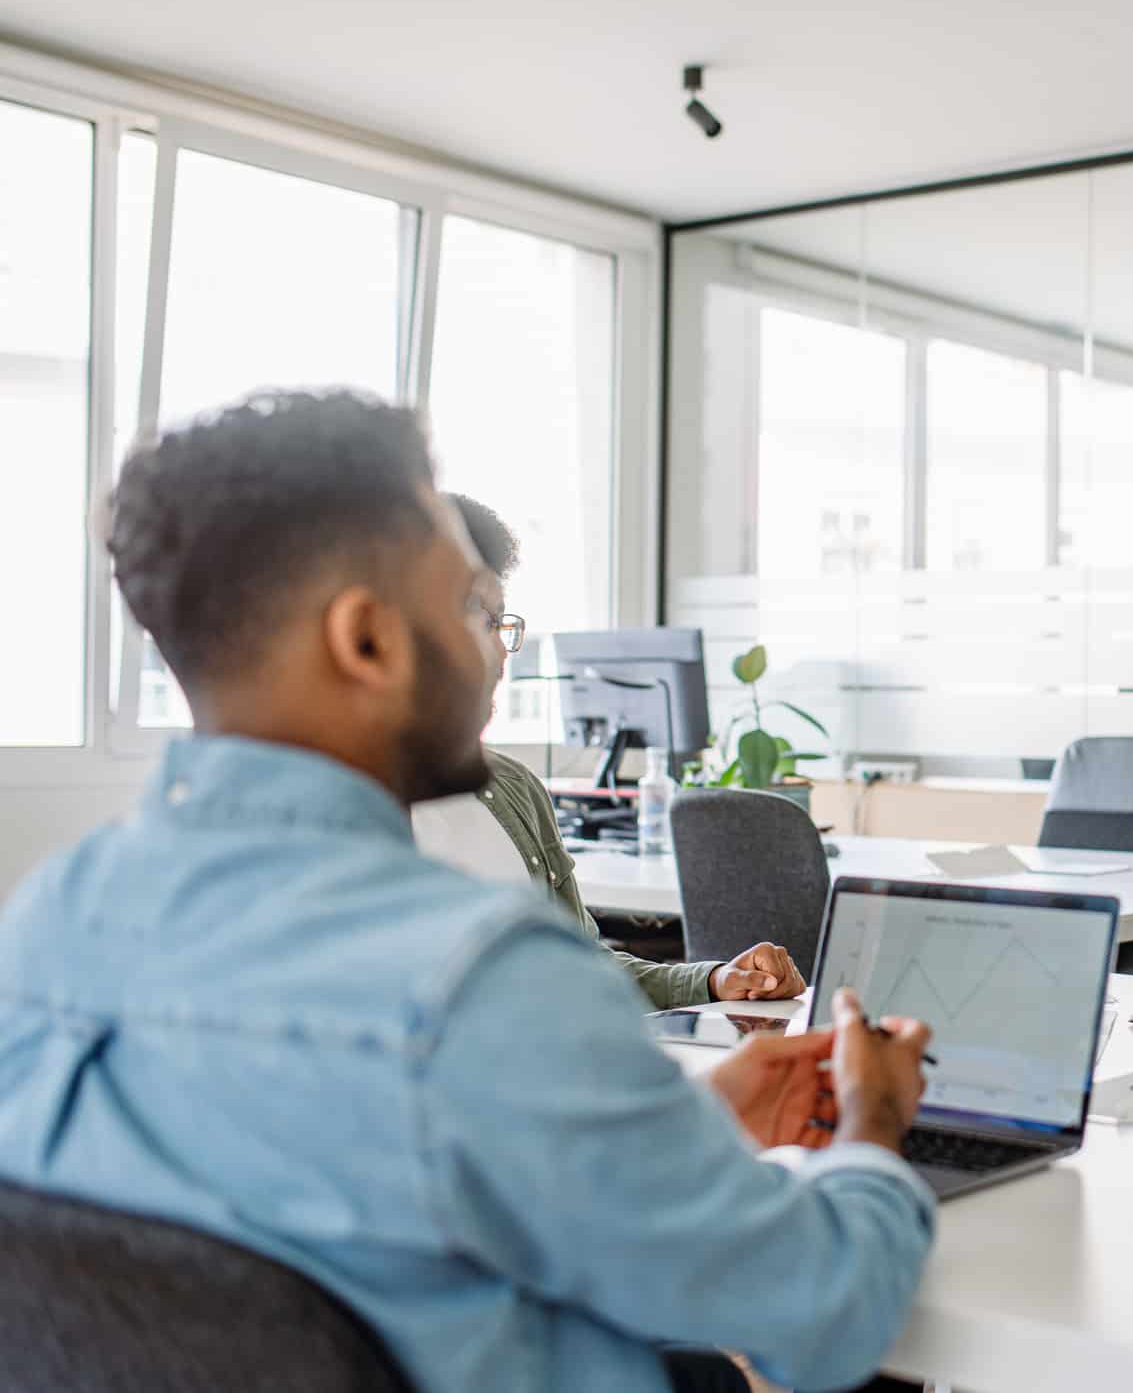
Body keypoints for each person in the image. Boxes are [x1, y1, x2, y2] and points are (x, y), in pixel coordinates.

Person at [0, 390, 935, 1393]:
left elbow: (343, 1204)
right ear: (368, 640)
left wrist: (681, 1128)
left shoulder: (52, 920)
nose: (499, 650)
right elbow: (825, 1309)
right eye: (471, 609)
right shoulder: (479, 977)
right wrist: (874, 1130)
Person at [413, 492, 799, 1007]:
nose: (500, 652)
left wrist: (713, 981)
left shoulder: (511, 789)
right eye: (477, 618)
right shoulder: (329, 810)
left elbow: (580, 966)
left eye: (499, 623)